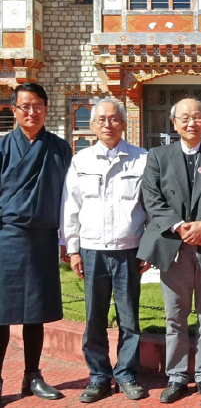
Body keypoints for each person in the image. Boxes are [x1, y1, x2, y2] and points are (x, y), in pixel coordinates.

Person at [137, 98, 201, 404]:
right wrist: (180, 226)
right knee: (175, 317)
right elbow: (151, 197)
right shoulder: (158, 156)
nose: (190, 122)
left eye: (197, 117)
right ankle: (177, 376)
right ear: (174, 123)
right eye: (184, 118)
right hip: (173, 247)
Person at [60, 98, 148, 403]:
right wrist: (72, 250)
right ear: (93, 125)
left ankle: (126, 374)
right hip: (92, 250)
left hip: (129, 249)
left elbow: (149, 208)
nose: (108, 124)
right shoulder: (81, 161)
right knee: (94, 317)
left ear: (123, 124)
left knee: (129, 319)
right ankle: (98, 376)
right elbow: (71, 207)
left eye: (114, 119)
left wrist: (146, 248)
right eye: (101, 120)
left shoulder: (142, 159)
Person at [0, 83, 72, 401]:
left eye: (38, 105)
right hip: (6, 239)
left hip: (43, 238)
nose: (32, 112)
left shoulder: (59, 148)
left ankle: (32, 375)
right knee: (1, 313)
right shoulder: (2, 149)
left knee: (36, 311)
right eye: (25, 106)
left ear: (46, 109)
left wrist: (68, 240)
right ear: (13, 110)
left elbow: (70, 199)